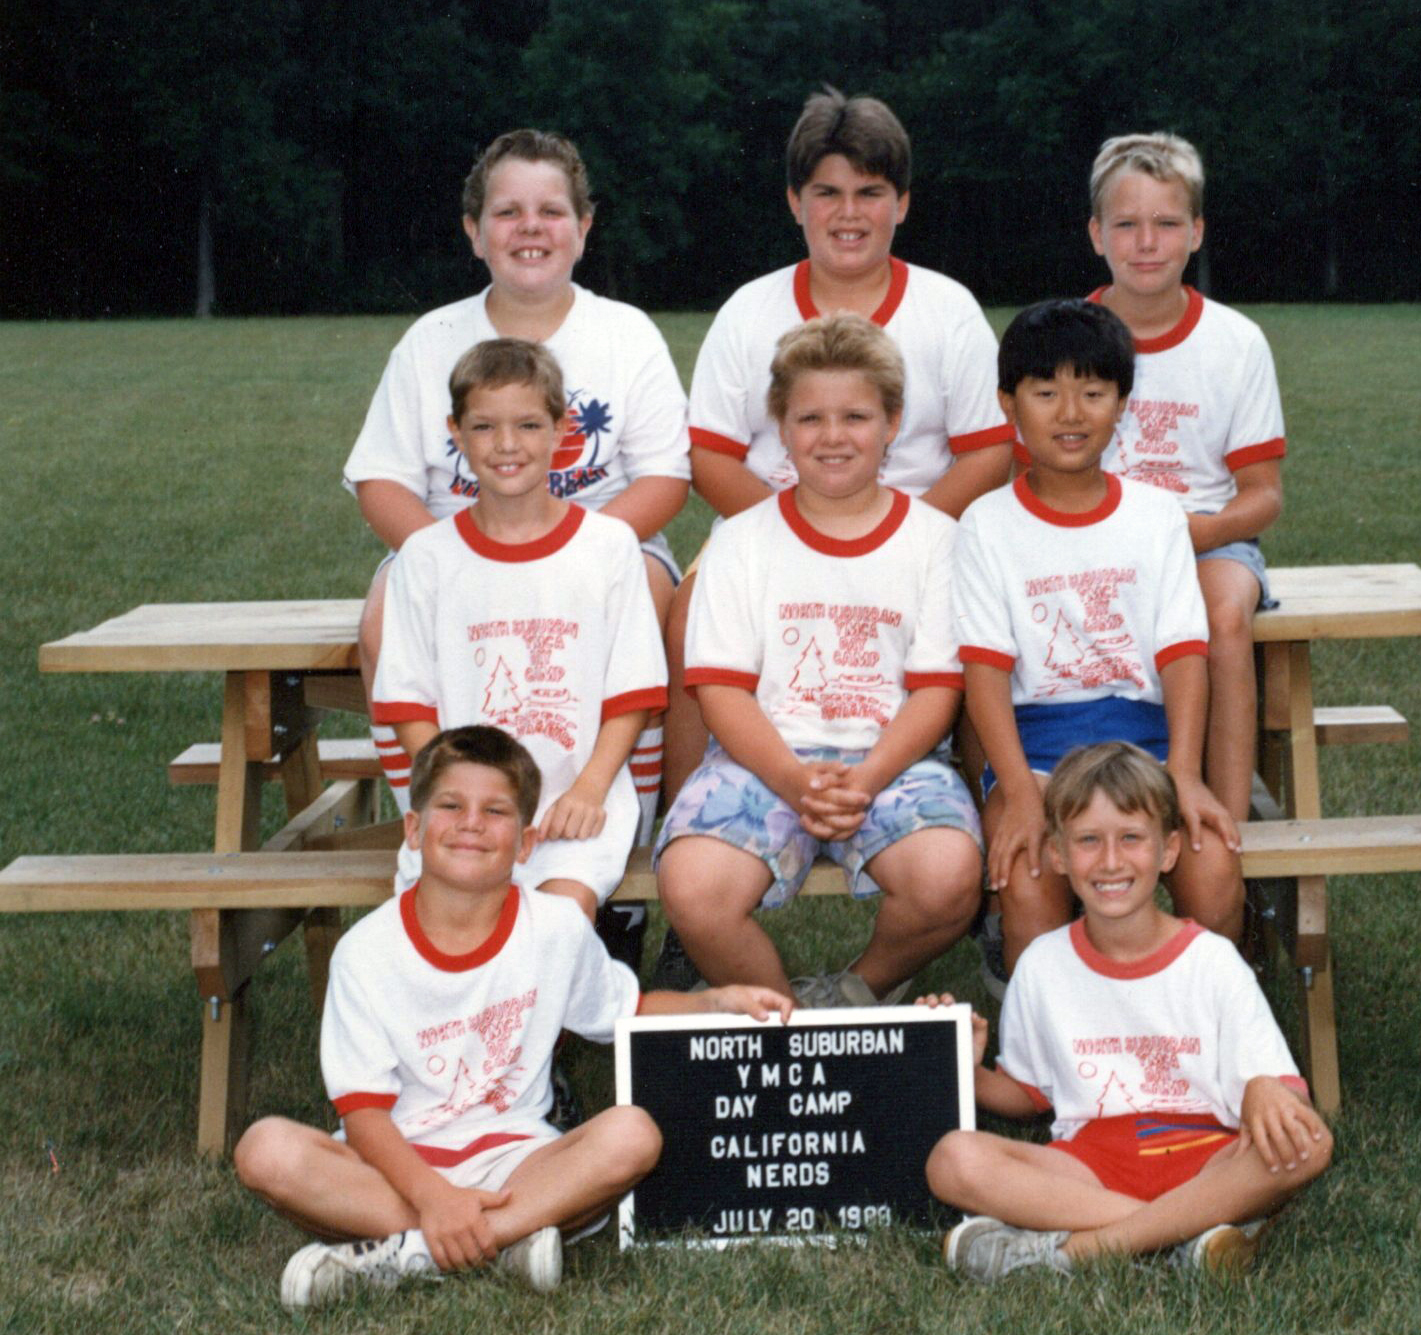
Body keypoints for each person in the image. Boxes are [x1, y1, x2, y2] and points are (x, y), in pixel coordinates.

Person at [232, 726, 792, 1309]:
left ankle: (413, 1252)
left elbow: (626, 1010)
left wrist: (715, 1001)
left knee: (632, 1136)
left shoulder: (554, 928)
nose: (471, 822)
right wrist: (433, 1197)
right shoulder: (365, 951)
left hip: (515, 1159)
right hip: (395, 1162)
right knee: (265, 1151)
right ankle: (505, 1238)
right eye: (450, 805)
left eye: (495, 811)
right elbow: (365, 1115)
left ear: (525, 845)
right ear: (414, 829)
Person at [343, 128, 687, 889]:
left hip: (604, 540)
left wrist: (564, 558)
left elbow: (665, 479)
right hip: (454, 538)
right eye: (507, 212)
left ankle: (620, 843)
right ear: (473, 232)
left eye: (551, 211)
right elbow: (383, 481)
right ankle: (439, 824)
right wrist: (462, 560)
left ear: (584, 227)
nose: (530, 228)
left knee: (651, 602)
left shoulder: (625, 334)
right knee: (383, 615)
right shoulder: (431, 339)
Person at [660, 87, 1013, 817]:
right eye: (827, 192)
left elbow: (987, 456)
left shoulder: (947, 311)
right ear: (795, 202)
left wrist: (894, 536)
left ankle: (983, 854)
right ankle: (687, 831)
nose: (848, 213)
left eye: (869, 192)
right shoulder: (749, 310)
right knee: (691, 608)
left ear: (903, 203)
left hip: (919, 531)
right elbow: (712, 459)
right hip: (769, 525)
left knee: (981, 621)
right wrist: (803, 535)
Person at [655, 314, 984, 1007]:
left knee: (949, 876)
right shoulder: (742, 542)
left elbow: (935, 691)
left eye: (856, 416)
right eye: (810, 417)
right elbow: (720, 690)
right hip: (761, 758)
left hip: (892, 759)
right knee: (693, 887)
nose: (833, 436)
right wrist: (794, 779)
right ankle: (788, 1019)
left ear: (893, 421)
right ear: (780, 424)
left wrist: (864, 778)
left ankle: (854, 995)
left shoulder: (936, 541)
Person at [922, 742, 1330, 1281]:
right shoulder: (1042, 965)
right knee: (952, 1159)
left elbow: (1279, 1090)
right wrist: (963, 1067)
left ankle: (1074, 1252)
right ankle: (1186, 1235)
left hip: (1207, 1156)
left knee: (1311, 1144)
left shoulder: (1211, 959)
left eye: (1131, 838)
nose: (1111, 861)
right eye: (1089, 841)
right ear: (1058, 856)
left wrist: (1261, 1088)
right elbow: (1027, 1095)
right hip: (1089, 1167)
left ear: (1168, 851)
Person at [954, 298, 1243, 973]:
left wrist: (1187, 772)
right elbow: (986, 673)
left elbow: (1181, 653)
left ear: (1122, 403)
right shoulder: (985, 525)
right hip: (1036, 747)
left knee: (1212, 868)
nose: (1071, 412)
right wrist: (1021, 796)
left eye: (1093, 391)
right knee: (1028, 873)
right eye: (1046, 392)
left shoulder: (1157, 516)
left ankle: (1205, 1026)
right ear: (1009, 404)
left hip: (1143, 741)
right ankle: (1041, 1036)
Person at [372, 339, 666, 923]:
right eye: (484, 427)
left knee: (554, 929)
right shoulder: (426, 557)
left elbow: (632, 695)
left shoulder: (608, 548)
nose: (507, 445)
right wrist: (460, 806)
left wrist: (589, 790)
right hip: (466, 816)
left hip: (572, 808)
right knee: (447, 931)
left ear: (562, 430)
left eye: (529, 424)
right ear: (455, 432)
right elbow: (408, 705)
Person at [1086, 132, 1287, 823]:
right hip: (1088, 539)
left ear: (1196, 232)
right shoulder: (1067, 337)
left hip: (1207, 538)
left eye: (1167, 223)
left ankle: (1222, 826)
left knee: (1221, 614)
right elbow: (1031, 478)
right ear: (1096, 234)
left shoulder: (1235, 341)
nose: (1147, 242)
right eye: (1127, 224)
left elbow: (1263, 495)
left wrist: (1190, 533)